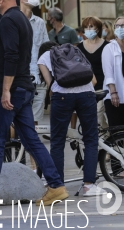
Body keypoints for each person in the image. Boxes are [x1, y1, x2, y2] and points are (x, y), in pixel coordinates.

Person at [0, 0, 68, 208]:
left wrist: (4, 91)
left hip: (12, 91)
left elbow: (11, 56)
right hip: (22, 89)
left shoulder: (10, 20)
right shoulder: (22, 20)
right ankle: (56, 185)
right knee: (30, 140)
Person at [38, 41, 106, 196]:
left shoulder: (43, 57)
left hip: (62, 96)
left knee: (57, 142)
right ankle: (88, 185)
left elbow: (51, 86)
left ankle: (58, 186)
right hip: (87, 94)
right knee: (90, 139)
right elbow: (93, 80)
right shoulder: (75, 50)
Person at [19, 0, 48, 125]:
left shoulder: (40, 23)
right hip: (21, 80)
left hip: (38, 79)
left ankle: (30, 147)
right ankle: (18, 147)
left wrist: (48, 80)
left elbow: (46, 51)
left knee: (34, 122)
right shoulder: (13, 21)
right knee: (18, 121)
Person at [78, 16, 108, 127]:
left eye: (91, 26)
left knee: (98, 114)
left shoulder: (107, 46)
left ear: (98, 28)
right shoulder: (80, 47)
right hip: (85, 87)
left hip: (102, 87)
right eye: (86, 27)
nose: (88, 29)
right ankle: (107, 137)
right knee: (90, 118)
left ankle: (104, 139)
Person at [102, 16, 124, 128]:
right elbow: (108, 72)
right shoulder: (110, 48)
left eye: (123, 26)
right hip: (115, 96)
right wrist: (113, 92)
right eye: (117, 26)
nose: (120, 28)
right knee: (117, 131)